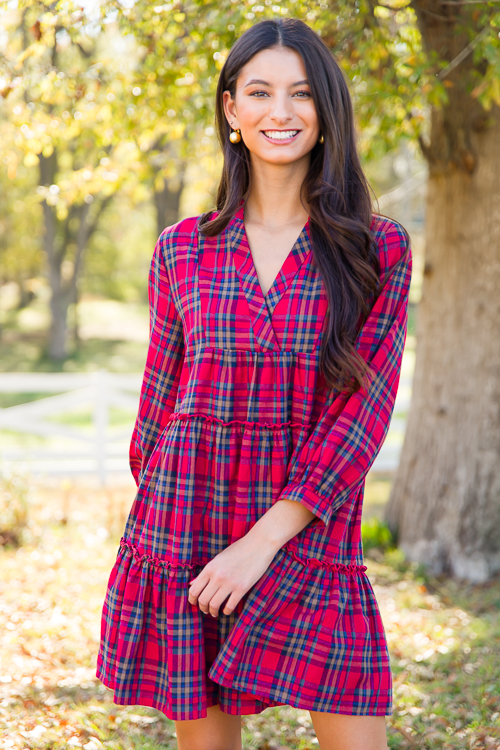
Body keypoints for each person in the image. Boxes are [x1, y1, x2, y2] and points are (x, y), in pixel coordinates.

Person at [96, 16, 412, 750]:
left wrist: (262, 542)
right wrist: (166, 532)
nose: (281, 112)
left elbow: (361, 420)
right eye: (260, 92)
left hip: (308, 529)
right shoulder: (182, 249)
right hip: (190, 524)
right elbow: (157, 410)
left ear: (326, 111)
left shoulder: (376, 247)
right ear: (231, 111)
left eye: (301, 94)